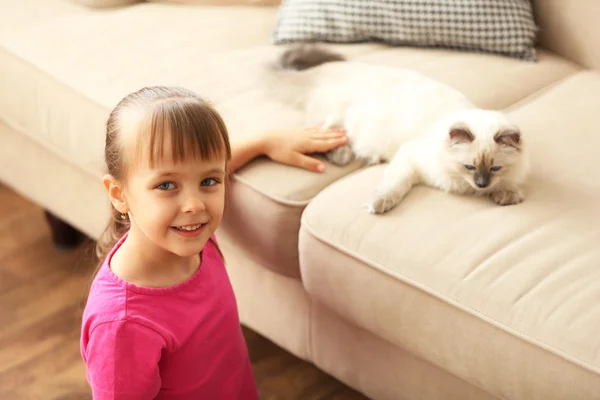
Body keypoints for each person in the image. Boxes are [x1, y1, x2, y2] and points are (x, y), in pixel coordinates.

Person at [80, 86, 347, 399]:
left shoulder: (189, 235)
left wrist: (264, 142)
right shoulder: (122, 325)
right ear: (119, 194)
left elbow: (205, 164)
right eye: (166, 185)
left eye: (209, 182)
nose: (194, 204)